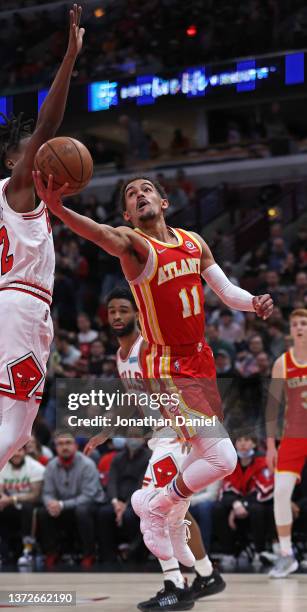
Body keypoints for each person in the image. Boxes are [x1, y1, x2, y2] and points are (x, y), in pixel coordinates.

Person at [33, 173, 273, 565]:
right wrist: (58, 208)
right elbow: (97, 233)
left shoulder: (194, 242)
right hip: (167, 365)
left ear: (164, 202)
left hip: (200, 359)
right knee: (224, 459)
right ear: (127, 215)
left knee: (202, 455)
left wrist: (254, 303)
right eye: (131, 194)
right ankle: (157, 507)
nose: (139, 194)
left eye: (146, 189)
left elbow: (227, 292)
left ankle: (161, 510)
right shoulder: (133, 245)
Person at [94, 286, 224, 610]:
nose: (118, 316)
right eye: (112, 312)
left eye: (124, 310)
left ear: (137, 314)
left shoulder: (149, 346)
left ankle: (174, 586)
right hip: (161, 436)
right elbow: (135, 401)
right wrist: (106, 431)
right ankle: (207, 575)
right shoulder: (121, 358)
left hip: (177, 434)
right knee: (175, 510)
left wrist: (186, 424)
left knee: (153, 506)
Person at [0, 4, 84, 472]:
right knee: (15, 432)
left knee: (14, 430)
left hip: (14, 307)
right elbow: (49, 124)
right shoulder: (18, 186)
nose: (42, 158)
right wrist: (70, 58)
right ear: (16, 161)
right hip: (21, 305)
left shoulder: (16, 197)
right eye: (32, 153)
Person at [266, 308, 307, 578]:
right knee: (280, 494)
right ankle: (286, 554)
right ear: (290, 331)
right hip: (293, 435)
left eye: (304, 323)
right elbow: (272, 408)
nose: (300, 327)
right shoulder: (282, 362)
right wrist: (270, 445)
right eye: (295, 324)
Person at [38, 431, 105, 569]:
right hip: (63, 506)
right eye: (60, 444)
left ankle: (89, 554)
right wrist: (51, 504)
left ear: (75, 445)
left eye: (68, 443)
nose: (64, 447)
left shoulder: (87, 464)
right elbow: (47, 493)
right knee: (43, 512)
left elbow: (89, 495)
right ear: (55, 447)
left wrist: (61, 505)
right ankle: (51, 553)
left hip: (89, 504)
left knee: (82, 511)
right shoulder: (51, 466)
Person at [0, 446, 45, 566]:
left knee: (27, 508)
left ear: (25, 451)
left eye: (19, 450)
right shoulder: (2, 465)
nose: (16, 454)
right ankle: (3, 551)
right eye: (13, 451)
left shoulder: (35, 467)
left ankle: (28, 550)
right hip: (10, 505)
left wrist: (12, 499)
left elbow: (35, 495)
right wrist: (3, 498)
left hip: (32, 506)